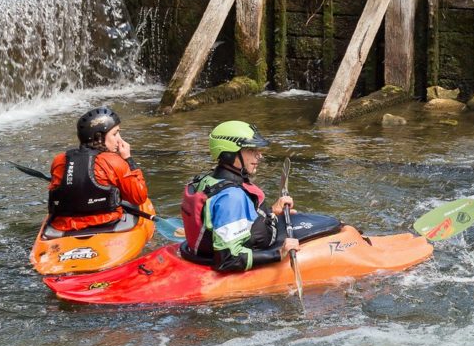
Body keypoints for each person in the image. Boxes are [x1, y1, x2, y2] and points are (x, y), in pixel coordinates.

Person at [179, 120, 302, 272]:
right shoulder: (231, 197)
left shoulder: (208, 180)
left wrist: (271, 211)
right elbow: (228, 260)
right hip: (228, 257)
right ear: (230, 154)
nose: (259, 156)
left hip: (200, 250)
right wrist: (277, 254)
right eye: (251, 150)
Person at [46, 106, 149, 232]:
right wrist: (128, 159)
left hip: (63, 225)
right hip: (106, 222)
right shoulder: (114, 161)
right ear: (99, 137)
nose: (119, 139)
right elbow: (139, 197)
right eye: (115, 134)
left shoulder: (59, 160)